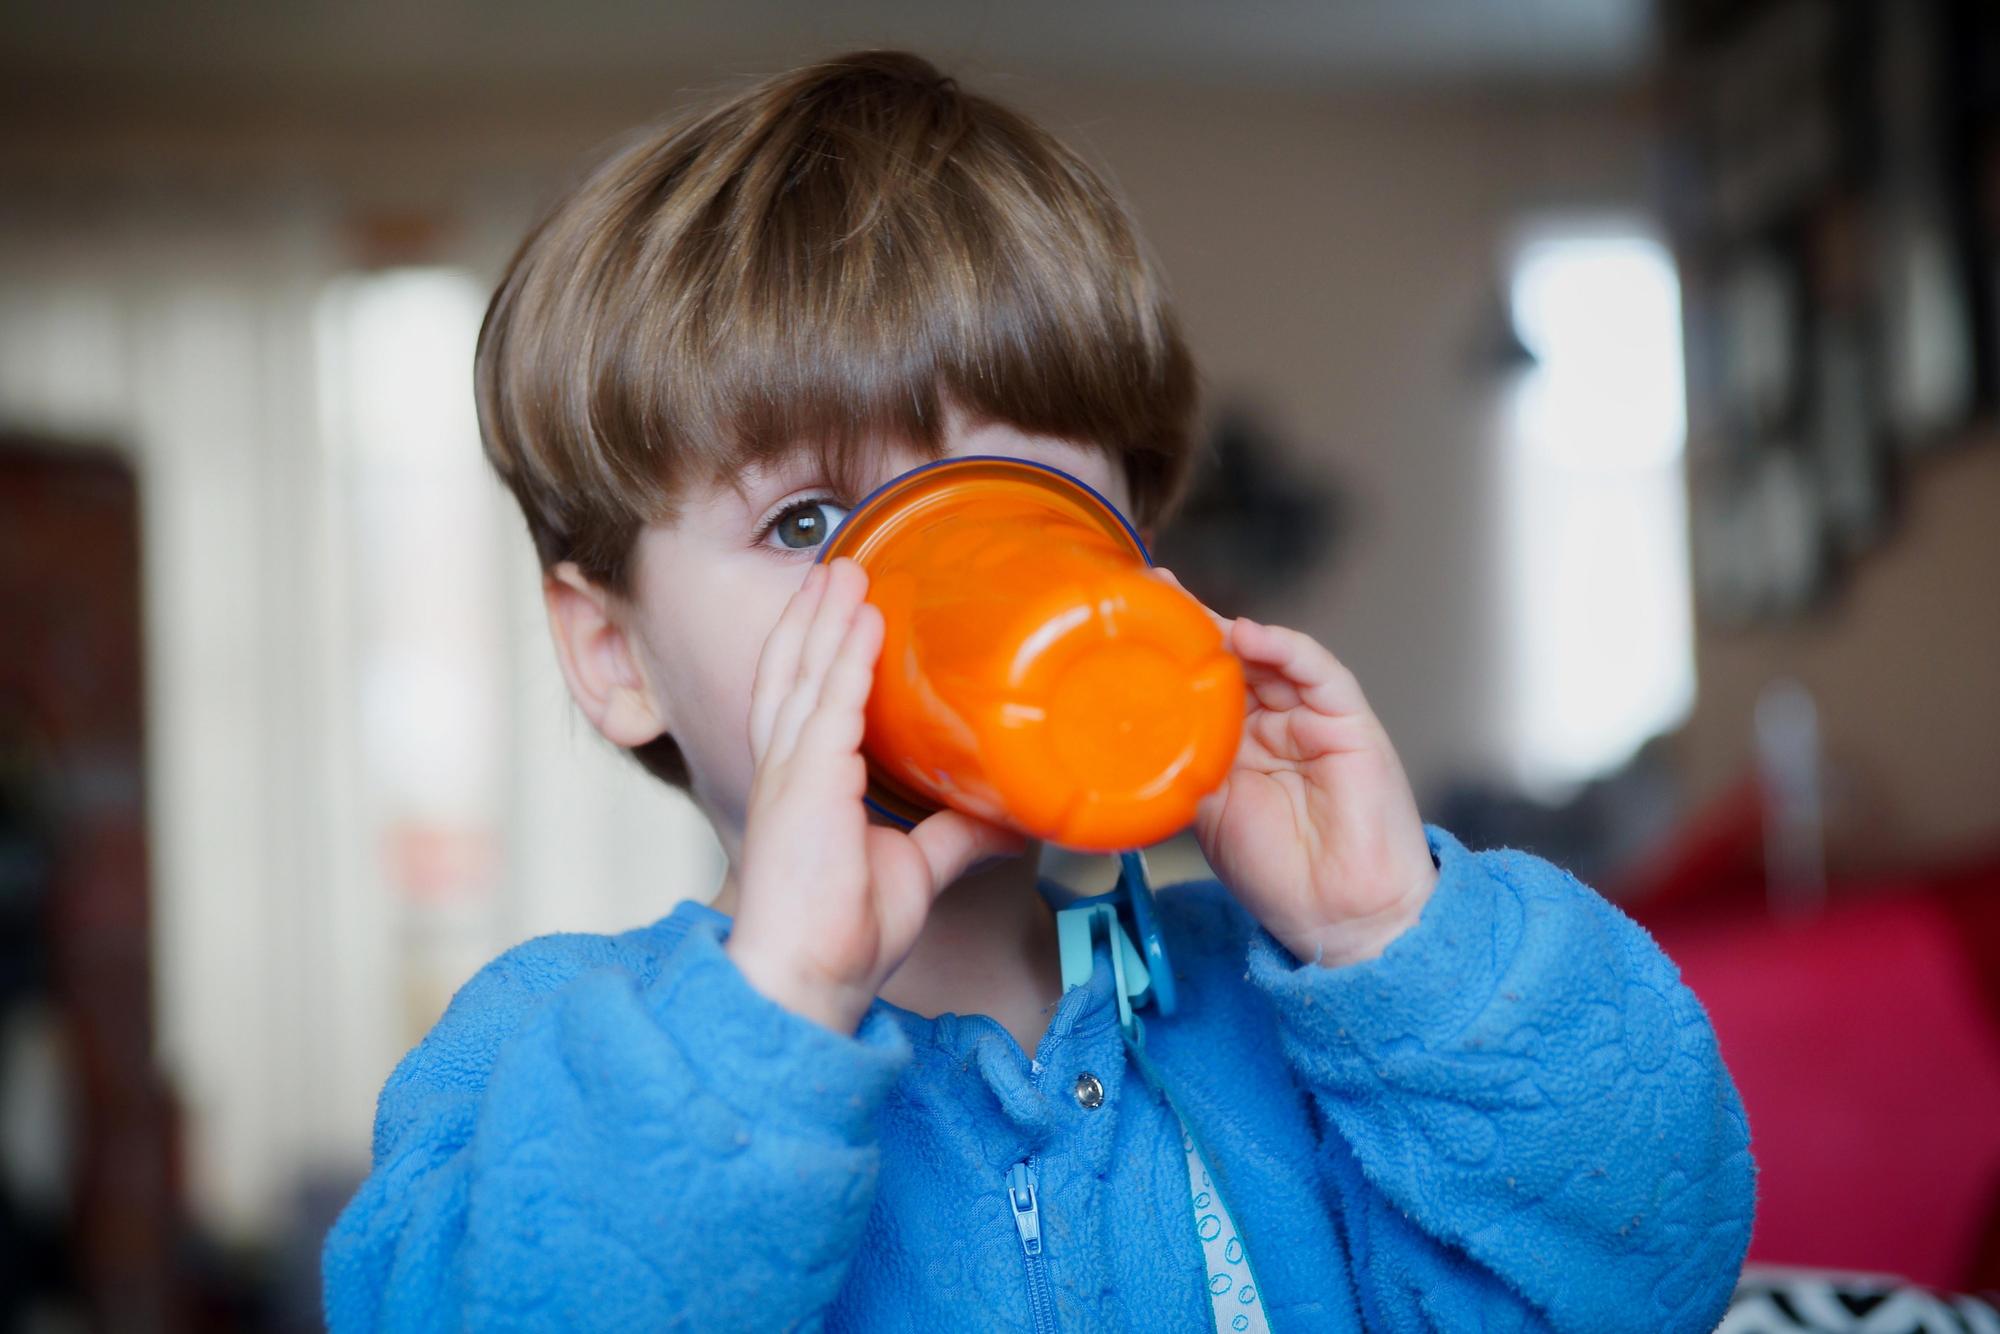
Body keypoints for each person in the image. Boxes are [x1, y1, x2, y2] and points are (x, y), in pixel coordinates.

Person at [321, 49, 1754, 1332]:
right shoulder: (553, 1054)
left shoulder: (1285, 1024)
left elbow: (1645, 1274)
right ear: (613, 651)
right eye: (809, 524)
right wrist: (769, 1015)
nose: (950, 589)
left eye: (1033, 502)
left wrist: (1395, 942)